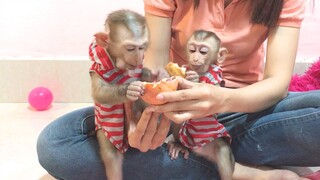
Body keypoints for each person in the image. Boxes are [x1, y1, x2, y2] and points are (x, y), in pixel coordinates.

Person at [36, 0, 320, 180]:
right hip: (174, 113)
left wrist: (222, 99)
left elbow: (276, 84)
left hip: (243, 108)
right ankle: (235, 169)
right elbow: (153, 72)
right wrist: (139, 122)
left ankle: (206, 163)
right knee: (57, 144)